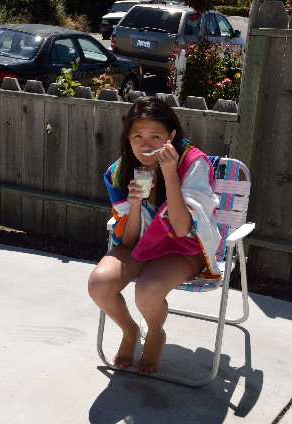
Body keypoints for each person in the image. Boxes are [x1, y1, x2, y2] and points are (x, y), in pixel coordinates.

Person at [88, 96, 222, 374]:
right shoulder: (121, 171)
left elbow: (183, 229)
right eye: (137, 136)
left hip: (184, 247)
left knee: (146, 290)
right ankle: (130, 331)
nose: (146, 145)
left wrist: (169, 173)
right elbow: (129, 243)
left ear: (171, 136)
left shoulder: (192, 164)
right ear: (128, 138)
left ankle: (155, 333)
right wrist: (135, 206)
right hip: (142, 246)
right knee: (99, 285)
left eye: (155, 136)